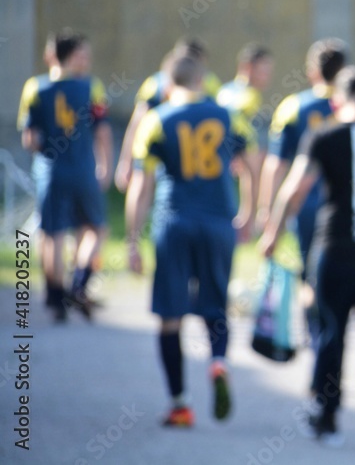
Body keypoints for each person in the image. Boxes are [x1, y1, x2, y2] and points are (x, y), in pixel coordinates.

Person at [259, 67, 355, 452]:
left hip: (335, 249)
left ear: (336, 102)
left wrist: (272, 233)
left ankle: (328, 420)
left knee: (331, 333)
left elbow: (295, 189)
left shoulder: (322, 136)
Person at [125, 53, 254, 427]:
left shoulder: (156, 120)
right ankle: (218, 362)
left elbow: (140, 186)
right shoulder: (229, 116)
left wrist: (132, 239)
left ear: (167, 84)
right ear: (203, 80)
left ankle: (180, 403)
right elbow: (253, 164)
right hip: (218, 222)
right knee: (216, 305)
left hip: (174, 222)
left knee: (170, 314)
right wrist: (250, 211)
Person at [258, 39, 348, 345]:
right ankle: (331, 336)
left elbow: (275, 166)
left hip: (306, 206)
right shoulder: (353, 106)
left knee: (311, 276)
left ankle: (316, 338)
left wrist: (267, 212)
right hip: (344, 207)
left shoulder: (293, 108)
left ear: (312, 71)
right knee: (341, 275)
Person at [18, 30, 112, 321]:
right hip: (83, 169)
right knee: (96, 228)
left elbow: (29, 139)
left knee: (52, 235)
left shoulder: (35, 88)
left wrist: (47, 143)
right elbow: (103, 131)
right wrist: (106, 165)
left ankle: (56, 298)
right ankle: (79, 283)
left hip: (51, 172)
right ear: (71, 56)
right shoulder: (91, 87)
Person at [114, 37, 221, 192]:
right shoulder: (156, 83)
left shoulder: (210, 84)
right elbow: (138, 122)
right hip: (165, 147)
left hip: (197, 151)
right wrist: (126, 162)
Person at [217, 43, 275, 234]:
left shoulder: (225, 90)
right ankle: (247, 224)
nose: (267, 77)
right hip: (232, 148)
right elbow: (247, 140)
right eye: (263, 71)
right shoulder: (249, 97)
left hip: (219, 151)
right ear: (248, 67)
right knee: (254, 169)